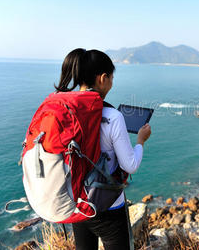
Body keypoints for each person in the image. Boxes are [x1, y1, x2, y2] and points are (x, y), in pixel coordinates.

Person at [54, 48, 151, 250]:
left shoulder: (66, 109)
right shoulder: (113, 116)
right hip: (108, 206)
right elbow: (130, 165)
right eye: (111, 77)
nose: (111, 83)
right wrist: (140, 141)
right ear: (103, 78)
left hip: (77, 201)